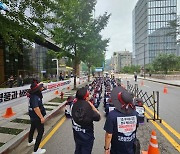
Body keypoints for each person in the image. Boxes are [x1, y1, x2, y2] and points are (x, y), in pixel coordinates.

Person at [104, 86, 139, 154]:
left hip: (117, 150)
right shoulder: (135, 114)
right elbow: (135, 128)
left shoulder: (112, 115)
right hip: (130, 148)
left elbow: (109, 135)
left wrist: (106, 148)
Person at [71, 87, 101, 154]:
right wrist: (92, 106)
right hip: (87, 138)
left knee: (78, 150)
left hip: (77, 136)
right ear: (86, 98)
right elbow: (99, 117)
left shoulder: (72, 105)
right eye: (88, 95)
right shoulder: (88, 109)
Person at [27, 79, 46, 154]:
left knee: (32, 128)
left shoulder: (33, 95)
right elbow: (36, 108)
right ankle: (36, 150)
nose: (41, 88)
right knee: (40, 132)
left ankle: (30, 141)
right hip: (36, 117)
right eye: (40, 87)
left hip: (33, 116)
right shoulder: (35, 97)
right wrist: (41, 117)